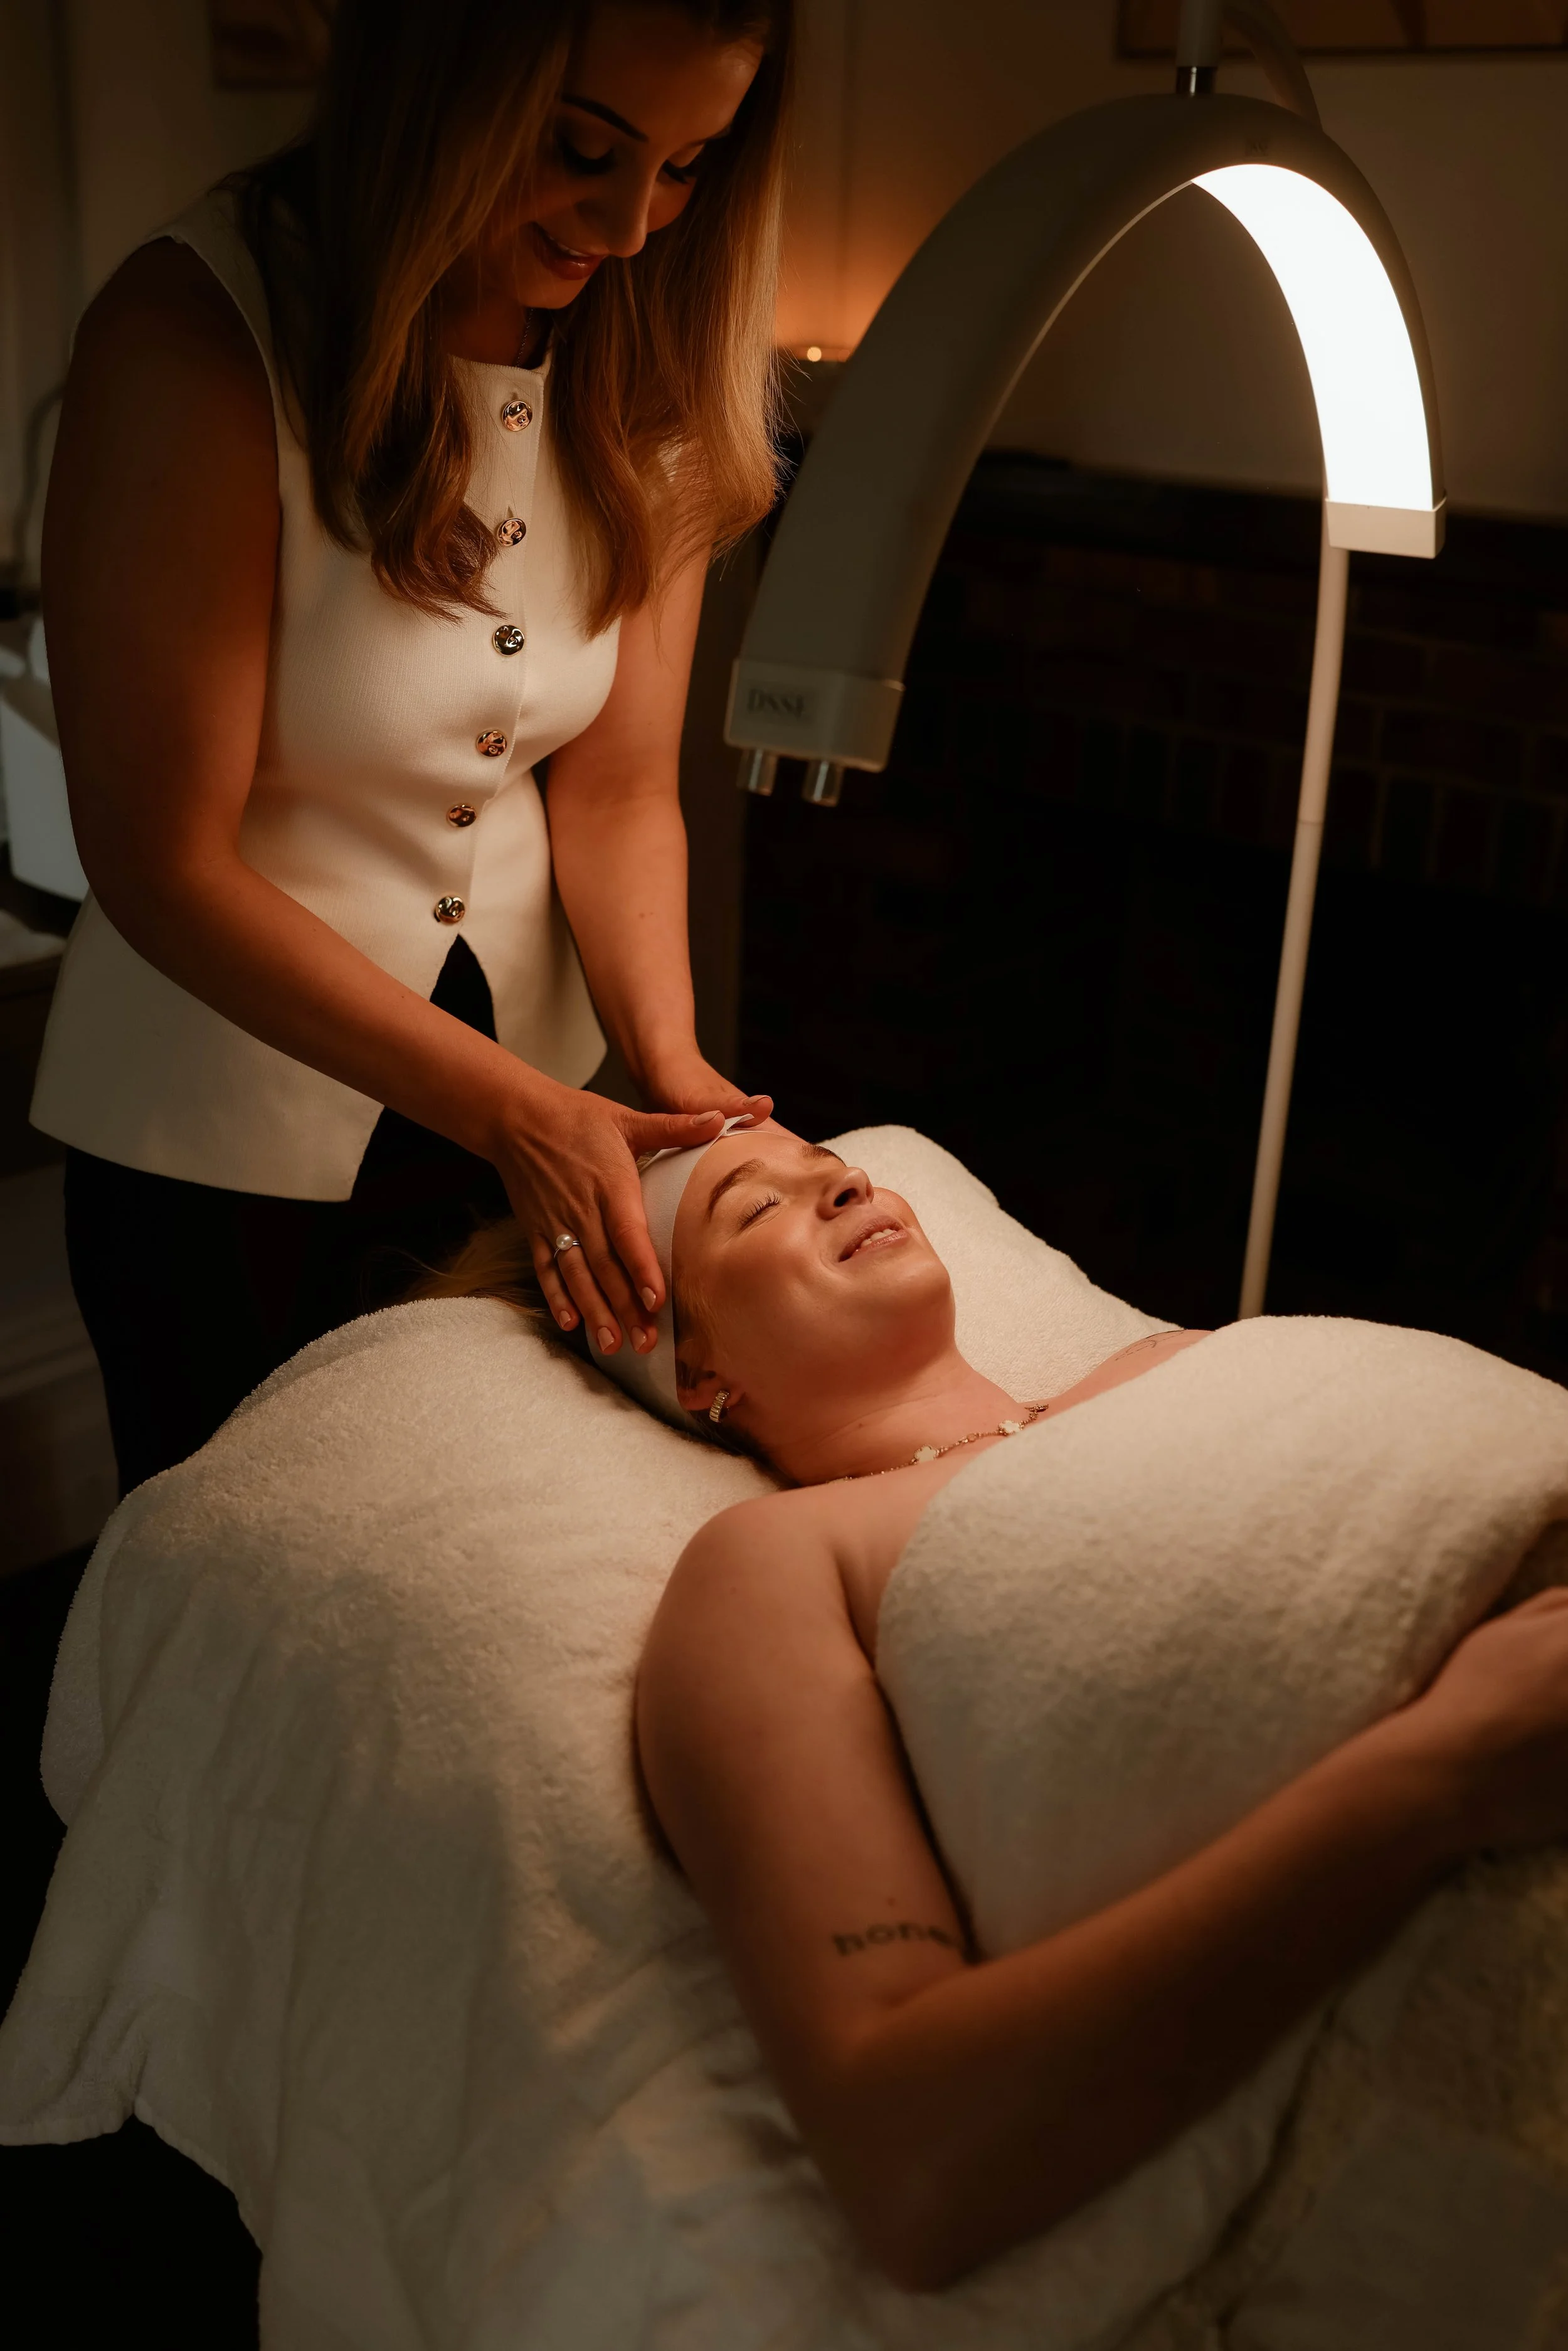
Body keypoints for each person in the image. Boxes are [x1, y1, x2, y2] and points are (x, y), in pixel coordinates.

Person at [429, 1118, 1568, 2293]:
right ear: (700, 1373)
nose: (839, 1184)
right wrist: (1445, 1771)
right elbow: (907, 2150)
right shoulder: (772, 1567)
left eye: (831, 1167)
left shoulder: (1182, 1360)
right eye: (754, 1209)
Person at [33, 0, 790, 1493]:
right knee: (237, 1619)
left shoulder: (650, 354)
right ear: (441, 83)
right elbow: (158, 859)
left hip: (532, 1128)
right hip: (218, 1143)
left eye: (690, 166)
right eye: (583, 150)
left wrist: (665, 1054)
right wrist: (518, 1112)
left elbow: (624, 786)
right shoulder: (198, 336)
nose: (634, 225)